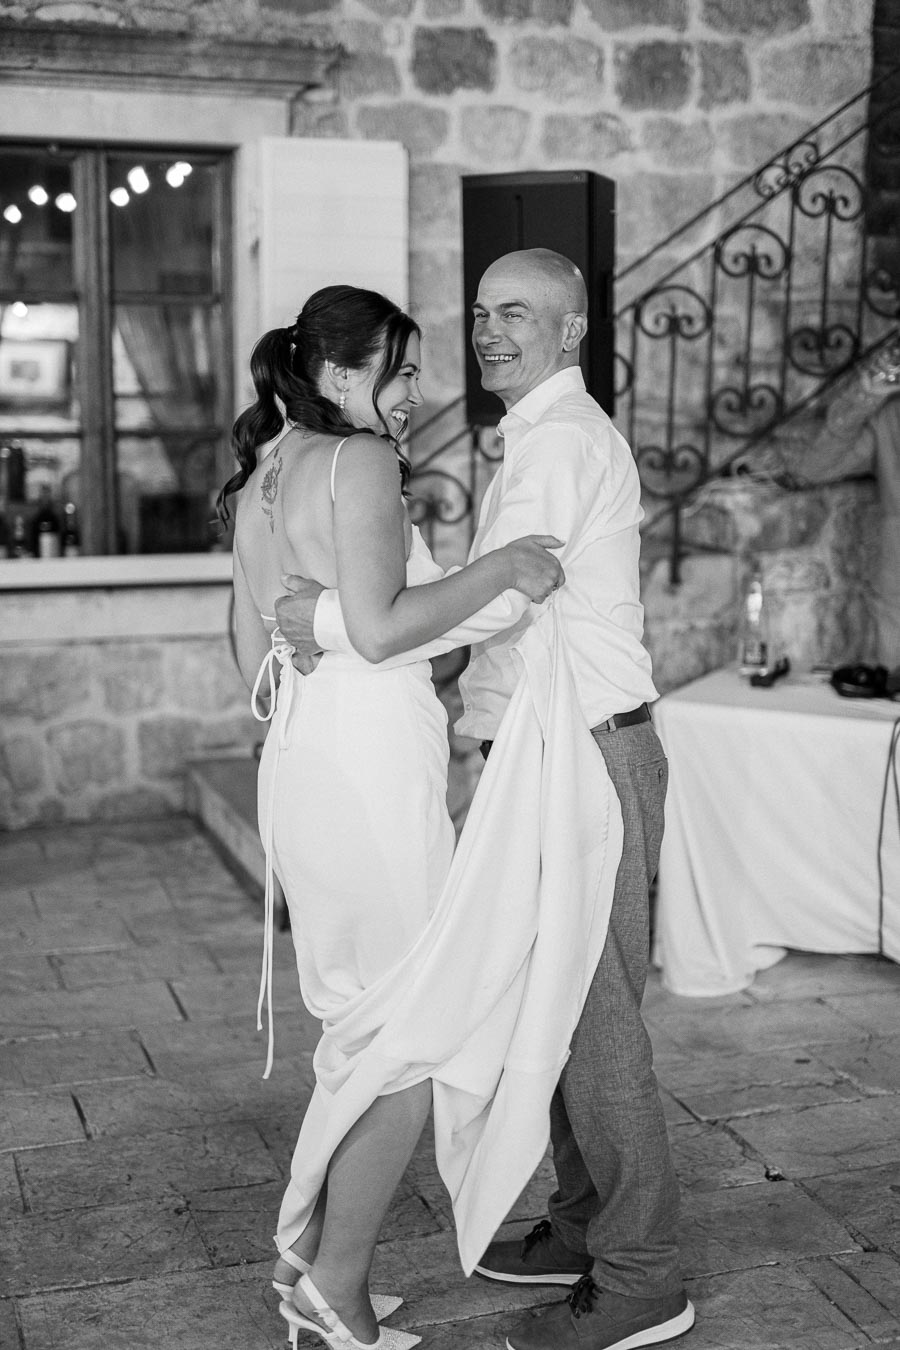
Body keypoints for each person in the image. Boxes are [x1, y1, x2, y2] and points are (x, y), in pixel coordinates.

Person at [275, 250, 695, 1350]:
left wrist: (338, 624)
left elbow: (511, 593)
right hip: (547, 751)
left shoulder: (558, 441)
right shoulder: (537, 436)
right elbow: (498, 604)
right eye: (480, 312)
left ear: (572, 327)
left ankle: (645, 1277)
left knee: (596, 1025)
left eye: (517, 312)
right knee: (546, 1007)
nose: (490, 329)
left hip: (583, 757)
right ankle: (578, 1223)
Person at [219, 283, 566, 1350]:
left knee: (362, 1024)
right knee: (410, 1037)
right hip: (368, 767)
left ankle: (308, 1262)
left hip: (305, 756)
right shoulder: (361, 461)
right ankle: (336, 1286)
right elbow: (378, 627)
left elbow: (257, 653)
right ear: (336, 374)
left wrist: (396, 645)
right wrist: (500, 569)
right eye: (402, 369)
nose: (417, 393)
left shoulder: (268, 467)